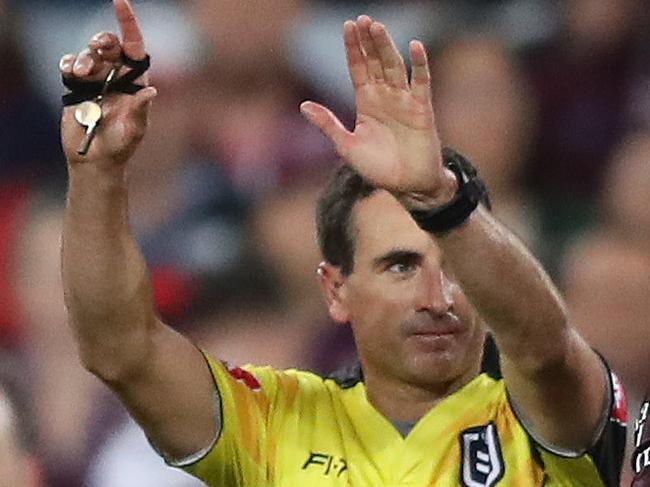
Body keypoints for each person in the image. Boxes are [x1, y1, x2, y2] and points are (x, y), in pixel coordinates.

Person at [59, 1, 626, 485]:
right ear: (336, 290)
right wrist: (96, 175)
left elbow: (544, 346)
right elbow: (119, 349)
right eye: (401, 267)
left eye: (456, 267)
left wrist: (441, 202)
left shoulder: (544, 422)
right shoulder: (276, 423)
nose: (439, 296)